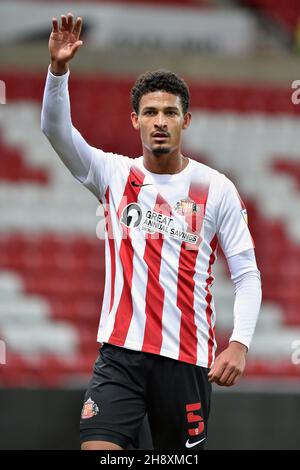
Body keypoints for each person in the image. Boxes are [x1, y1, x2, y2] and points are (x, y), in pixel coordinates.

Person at [41, 13, 262, 451]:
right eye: (150, 112)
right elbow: (55, 130)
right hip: (119, 355)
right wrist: (58, 71)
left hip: (185, 362)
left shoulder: (216, 188)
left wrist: (239, 343)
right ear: (134, 121)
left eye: (169, 112)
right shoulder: (112, 173)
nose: (160, 121)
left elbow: (247, 274)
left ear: (186, 120)